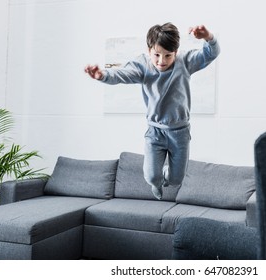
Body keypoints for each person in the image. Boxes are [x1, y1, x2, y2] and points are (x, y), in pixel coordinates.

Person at [84, 23, 220, 200]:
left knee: (176, 180)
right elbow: (121, 74)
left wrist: (208, 37)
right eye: (156, 55)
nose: (161, 61)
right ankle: (156, 181)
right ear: (149, 51)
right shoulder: (143, 66)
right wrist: (103, 76)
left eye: (167, 56)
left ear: (176, 52)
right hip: (155, 132)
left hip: (180, 132)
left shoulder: (185, 62)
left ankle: (165, 175)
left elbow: (211, 53)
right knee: (150, 176)